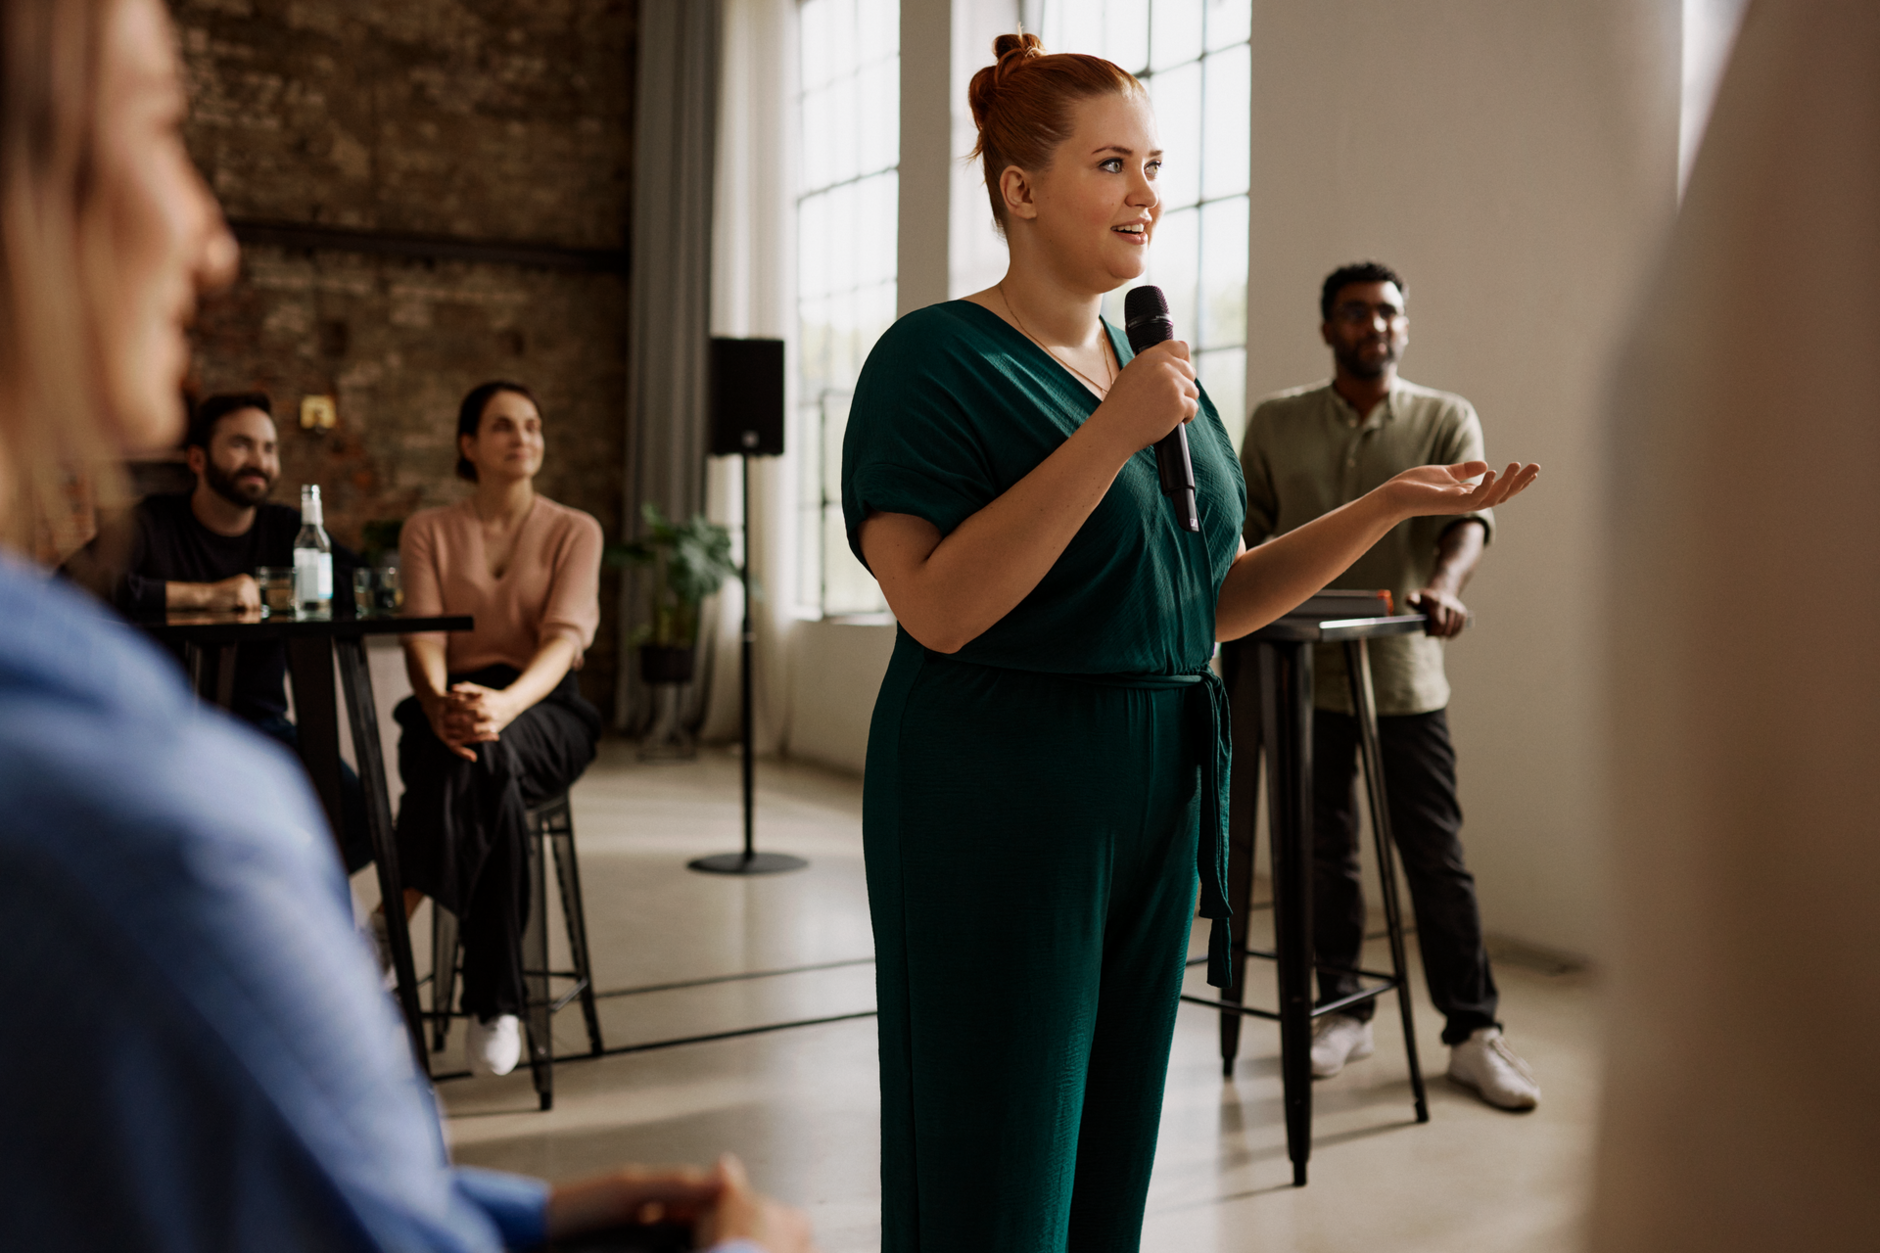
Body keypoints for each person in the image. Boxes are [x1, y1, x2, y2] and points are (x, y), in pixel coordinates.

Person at [0, 1, 810, 1248]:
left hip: (526, 706)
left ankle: (420, 935)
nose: (209, 239)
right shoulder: (169, 831)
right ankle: (478, 987)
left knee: (453, 762)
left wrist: (507, 1212)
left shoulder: (538, 530)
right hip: (417, 712)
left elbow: (556, 642)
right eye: (155, 127)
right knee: (439, 756)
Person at [842, 33, 1538, 1252]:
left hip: (1157, 783)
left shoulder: (1155, 376)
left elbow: (1200, 601)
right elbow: (937, 606)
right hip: (999, 784)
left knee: (1110, 1147)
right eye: (1112, 163)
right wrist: (1109, 433)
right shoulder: (933, 362)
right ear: (1019, 188)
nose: (1147, 193)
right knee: (997, 1146)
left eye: (1153, 162)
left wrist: (1384, 508)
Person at [1238, 260, 1541, 1111]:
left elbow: (1466, 522)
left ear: (1404, 326)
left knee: (1435, 856)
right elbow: (1246, 537)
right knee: (1323, 852)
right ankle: (1343, 1006)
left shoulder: (1447, 418)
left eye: (1388, 312)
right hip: (1303, 674)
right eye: (1357, 312)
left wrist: (1445, 589)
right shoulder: (1275, 422)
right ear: (1328, 326)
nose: (1375, 324)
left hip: (1405, 679)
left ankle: (1473, 1033)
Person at [393, 380, 606, 1080]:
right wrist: (432, 700)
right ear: (468, 445)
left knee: (487, 752)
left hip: (544, 705)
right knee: (488, 771)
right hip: (447, 706)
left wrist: (504, 705)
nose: (524, 438)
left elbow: (563, 641)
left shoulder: (576, 528)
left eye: (534, 425)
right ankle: (498, 1005)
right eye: (503, 426)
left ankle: (394, 920)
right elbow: (424, 636)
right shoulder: (427, 529)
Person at [65, 388, 372, 872]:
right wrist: (203, 595)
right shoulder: (154, 521)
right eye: (241, 445)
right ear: (196, 458)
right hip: (166, 723)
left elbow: (361, 585)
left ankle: (278, 913)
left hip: (261, 726)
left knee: (361, 815)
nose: (259, 460)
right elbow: (71, 583)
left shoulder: (287, 529)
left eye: (269, 449)